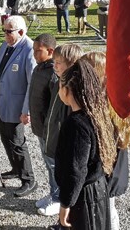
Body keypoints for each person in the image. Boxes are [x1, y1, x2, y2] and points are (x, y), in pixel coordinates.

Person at [56, 58, 117, 230]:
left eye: (60, 86)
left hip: (84, 197)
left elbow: (75, 170)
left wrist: (66, 204)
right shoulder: (98, 115)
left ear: (68, 90)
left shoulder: (76, 124)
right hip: (98, 188)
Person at [0, 15, 37, 197]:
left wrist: (26, 110)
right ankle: (15, 168)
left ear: (21, 32)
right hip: (2, 103)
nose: (4, 34)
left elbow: (32, 83)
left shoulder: (29, 49)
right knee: (5, 138)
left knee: (17, 143)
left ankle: (28, 179)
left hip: (16, 107)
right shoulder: (5, 46)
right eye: (4, 31)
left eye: (8, 31)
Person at [83, 51, 129, 230]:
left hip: (108, 172)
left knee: (108, 211)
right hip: (102, 172)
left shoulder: (109, 103)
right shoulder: (97, 99)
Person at [40, 44, 84, 217]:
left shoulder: (74, 87)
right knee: (53, 169)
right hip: (52, 134)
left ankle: (61, 202)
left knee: (63, 173)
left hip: (62, 141)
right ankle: (55, 194)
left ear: (72, 63)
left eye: (59, 62)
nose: (54, 65)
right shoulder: (59, 81)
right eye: (54, 61)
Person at [27, 33, 58, 215]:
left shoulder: (53, 73)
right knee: (48, 164)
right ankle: (53, 193)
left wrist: (49, 128)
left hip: (50, 130)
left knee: (54, 164)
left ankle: (58, 198)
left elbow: (55, 106)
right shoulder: (40, 68)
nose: (34, 55)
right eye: (33, 50)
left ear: (50, 51)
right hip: (40, 127)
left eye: (38, 51)